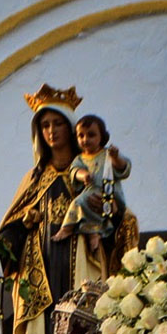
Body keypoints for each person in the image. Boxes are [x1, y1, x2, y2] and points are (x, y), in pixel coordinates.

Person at [0, 85, 137, 334]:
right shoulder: (34, 179)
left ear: (72, 128)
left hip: (82, 270)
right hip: (40, 282)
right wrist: (6, 240)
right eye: (45, 125)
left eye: (57, 123)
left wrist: (111, 217)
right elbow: (9, 234)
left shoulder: (91, 169)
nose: (51, 131)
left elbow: (116, 216)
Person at [51, 115, 130, 270]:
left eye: (91, 135)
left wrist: (115, 158)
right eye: (81, 135)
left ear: (102, 137)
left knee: (93, 207)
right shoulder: (80, 159)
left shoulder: (107, 155)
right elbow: (74, 171)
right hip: (90, 191)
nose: (85, 139)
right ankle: (71, 229)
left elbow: (123, 168)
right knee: (80, 203)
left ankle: (93, 233)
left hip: (107, 192)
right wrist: (84, 175)